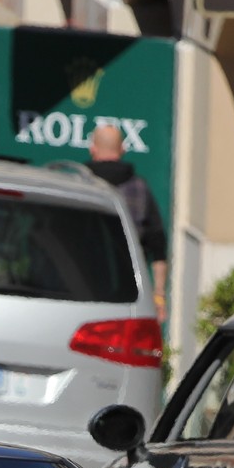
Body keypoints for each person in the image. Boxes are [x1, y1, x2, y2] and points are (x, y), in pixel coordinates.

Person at [86, 123, 168, 320]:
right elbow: (158, 245)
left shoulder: (80, 183)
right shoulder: (140, 188)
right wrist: (158, 296)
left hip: (80, 285)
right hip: (127, 291)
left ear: (93, 149)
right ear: (122, 149)